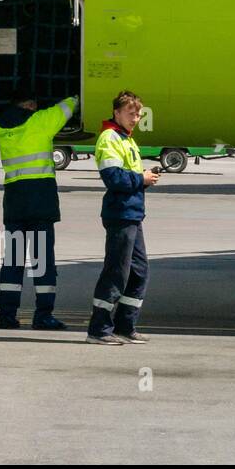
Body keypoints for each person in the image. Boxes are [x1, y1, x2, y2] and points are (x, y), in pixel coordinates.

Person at [0, 89, 79, 330]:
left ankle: (6, 316)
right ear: (31, 105)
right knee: (42, 263)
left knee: (12, 262)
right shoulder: (40, 122)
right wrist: (75, 95)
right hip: (39, 203)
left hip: (14, 203)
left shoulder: (2, 127)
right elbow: (67, 107)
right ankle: (43, 315)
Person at [86, 90, 158, 346]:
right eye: (131, 113)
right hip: (120, 214)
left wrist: (144, 180)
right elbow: (113, 178)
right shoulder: (109, 138)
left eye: (138, 114)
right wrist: (142, 178)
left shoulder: (127, 139)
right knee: (116, 272)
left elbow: (126, 177)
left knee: (139, 272)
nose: (136, 118)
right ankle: (99, 329)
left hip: (133, 214)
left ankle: (125, 325)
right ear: (117, 112)